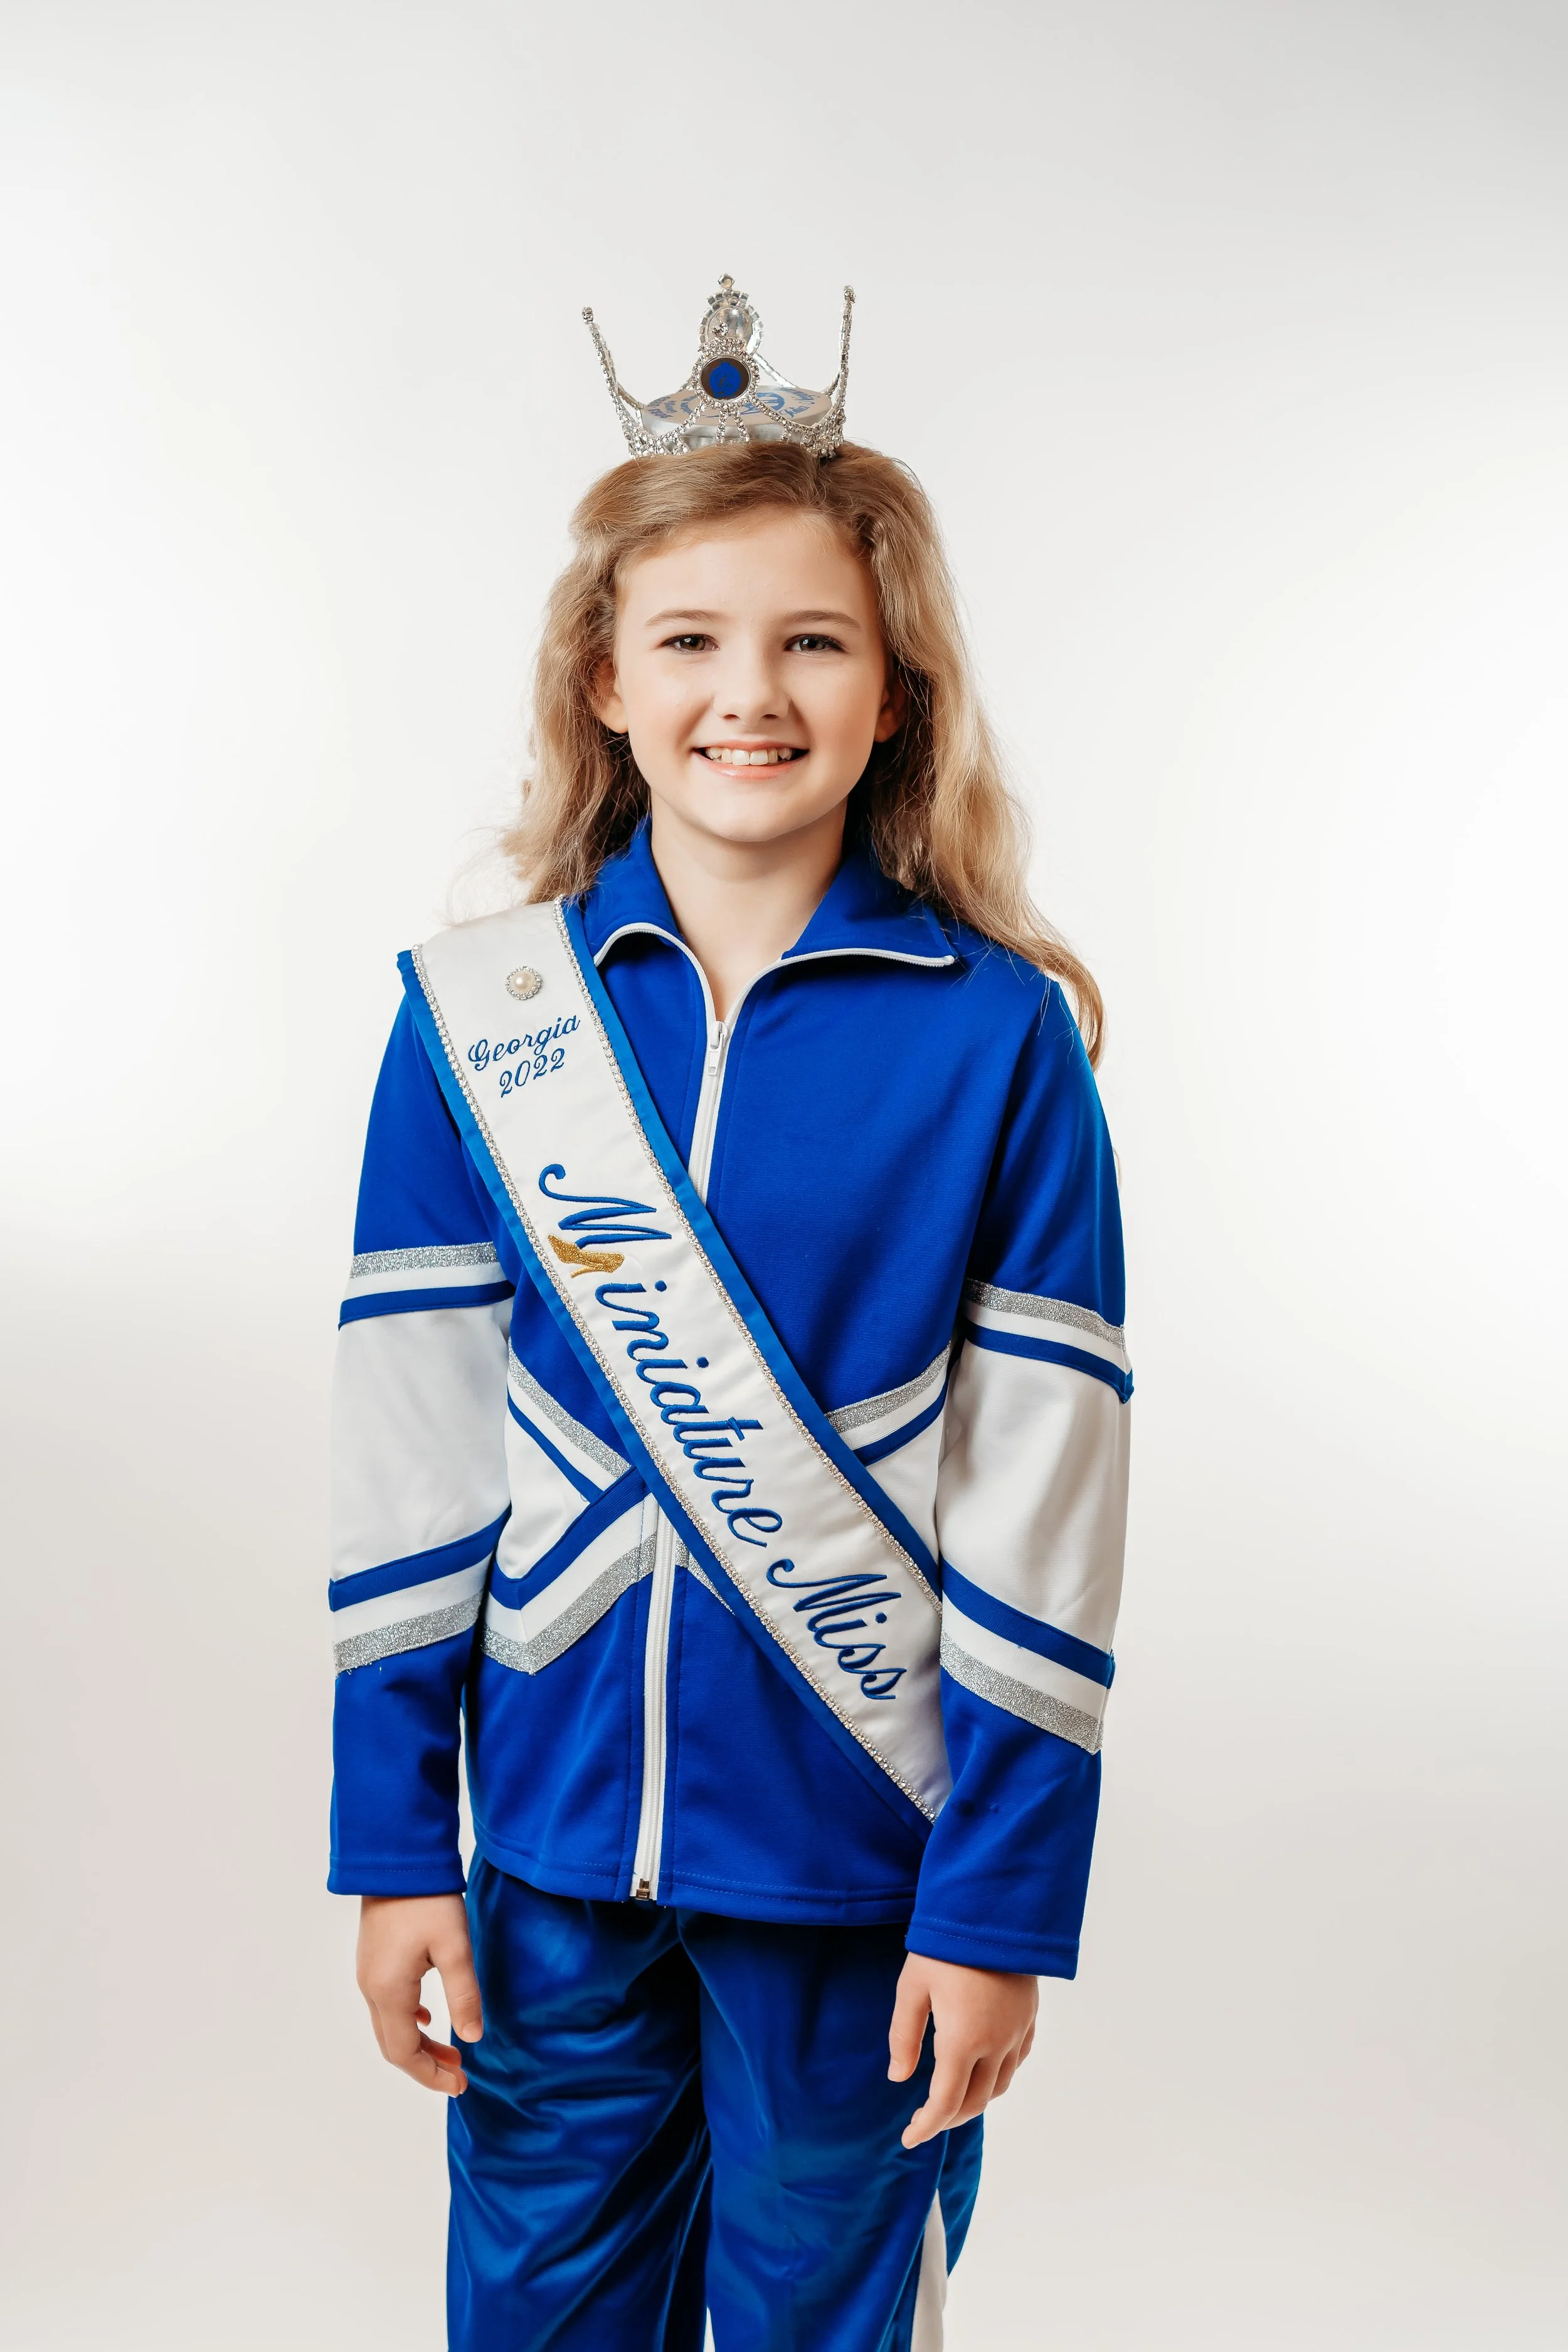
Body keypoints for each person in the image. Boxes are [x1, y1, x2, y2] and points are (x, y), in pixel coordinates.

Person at [328, 278, 1131, 2351]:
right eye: (686, 640)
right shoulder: (476, 1019)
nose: (744, 694)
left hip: (864, 1872)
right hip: (552, 1853)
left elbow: (1052, 1509)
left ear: (896, 690)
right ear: (601, 681)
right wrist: (392, 1837)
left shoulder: (996, 1043)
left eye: (810, 641)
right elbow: (407, 1460)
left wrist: (997, 1901)